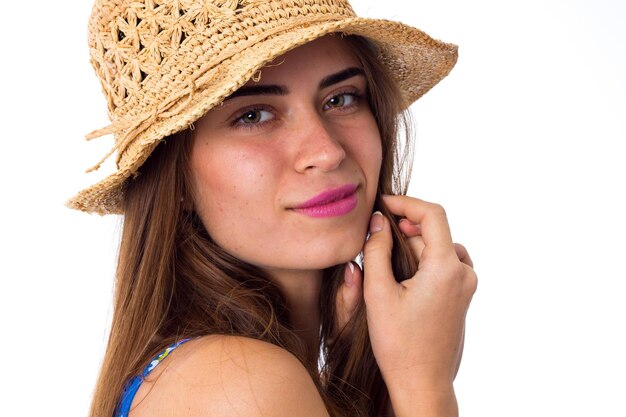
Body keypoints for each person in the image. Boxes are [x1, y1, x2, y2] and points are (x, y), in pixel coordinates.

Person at [68, 1, 477, 416]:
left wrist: (373, 387)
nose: (327, 151)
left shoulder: (220, 375)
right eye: (253, 114)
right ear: (176, 182)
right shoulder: (240, 387)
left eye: (341, 99)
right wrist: (421, 380)